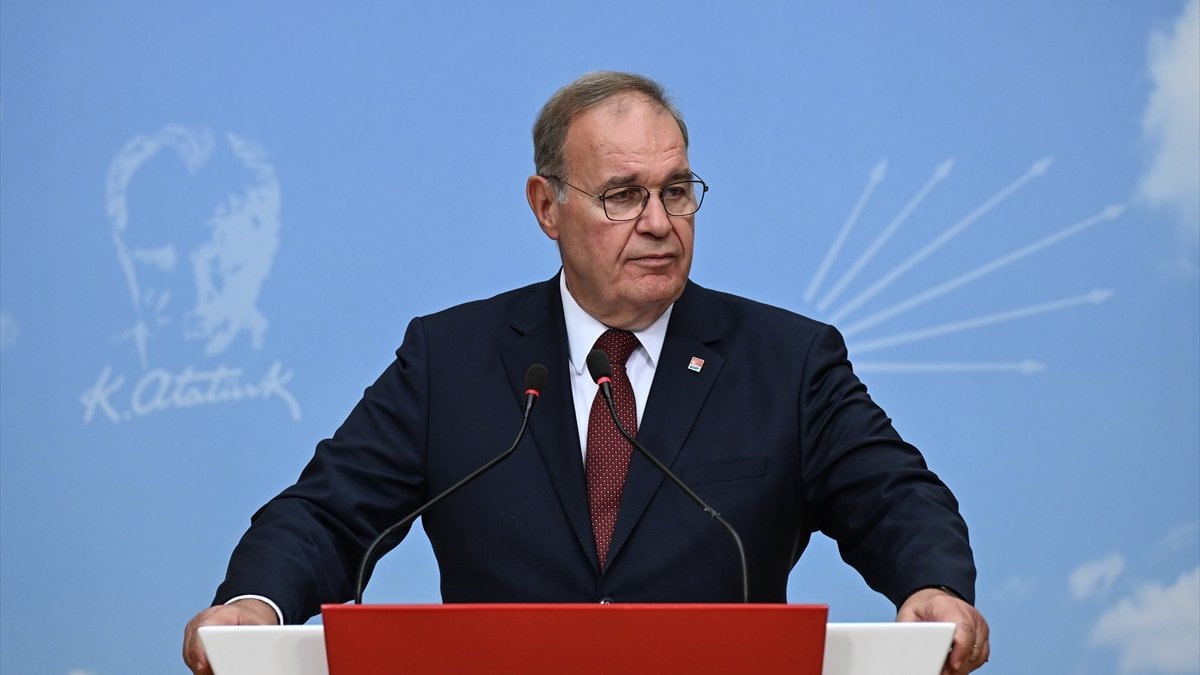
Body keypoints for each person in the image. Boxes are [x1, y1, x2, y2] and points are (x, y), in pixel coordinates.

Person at [183, 71, 990, 674]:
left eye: (677, 191)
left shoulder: (788, 361)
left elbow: (895, 497)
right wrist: (255, 604)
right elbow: (328, 514)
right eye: (623, 195)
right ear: (547, 207)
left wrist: (933, 585)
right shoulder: (450, 359)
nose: (659, 222)